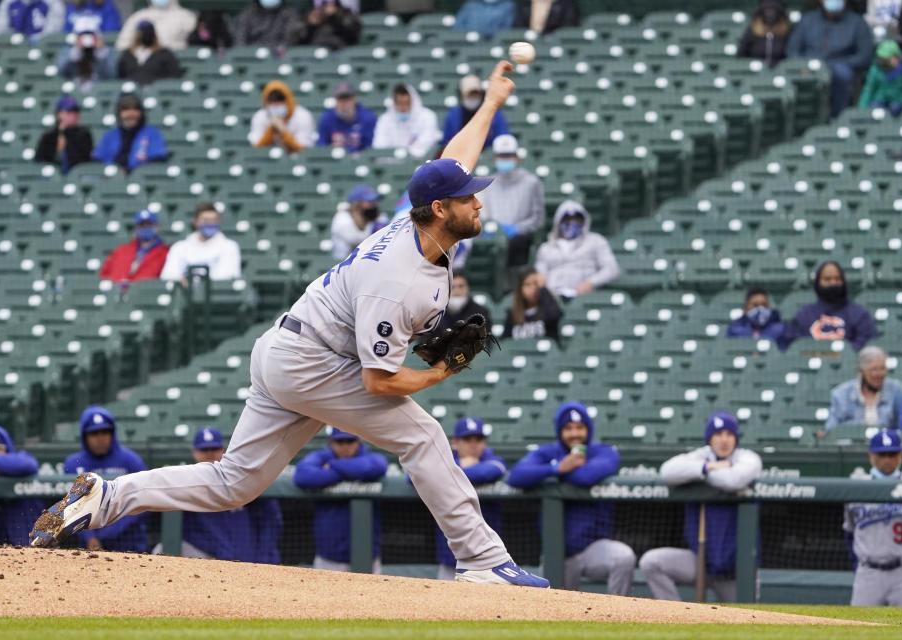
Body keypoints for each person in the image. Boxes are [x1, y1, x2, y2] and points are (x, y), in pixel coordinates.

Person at [30, 60, 551, 588]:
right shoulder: (397, 281)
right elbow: (379, 382)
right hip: (312, 361)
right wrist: (439, 374)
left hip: (291, 351)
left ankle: (110, 497)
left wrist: (489, 103)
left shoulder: (415, 218)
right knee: (423, 437)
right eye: (469, 197)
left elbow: (453, 158)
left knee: (233, 483)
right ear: (441, 209)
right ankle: (483, 560)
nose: (479, 201)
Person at [507, 401, 635, 593]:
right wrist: (556, 468)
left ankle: (617, 614)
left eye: (579, 427)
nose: (574, 433)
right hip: (557, 553)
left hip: (593, 548)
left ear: (588, 429)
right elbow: (516, 476)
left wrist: (558, 470)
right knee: (549, 609)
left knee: (623, 557)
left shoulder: (603, 452)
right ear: (560, 431)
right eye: (568, 428)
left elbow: (586, 476)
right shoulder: (548, 453)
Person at [639, 412, 763, 603]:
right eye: (718, 434)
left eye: (729, 434)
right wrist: (706, 468)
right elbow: (667, 471)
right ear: (709, 439)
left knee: (746, 625)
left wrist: (703, 473)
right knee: (652, 562)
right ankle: (678, 619)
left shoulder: (747, 457)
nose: (724, 440)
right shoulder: (701, 456)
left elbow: (734, 480)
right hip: (700, 561)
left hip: (736, 569)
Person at [153, 428, 283, 563]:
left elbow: (270, 521)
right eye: (204, 450)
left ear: (224, 451)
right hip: (207, 559)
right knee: (161, 550)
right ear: (194, 452)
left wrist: (263, 558)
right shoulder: (187, 483)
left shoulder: (243, 479)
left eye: (214, 449)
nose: (209, 454)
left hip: (247, 560)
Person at [844, 429, 902, 607]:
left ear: (901, 455)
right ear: (871, 456)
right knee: (859, 629)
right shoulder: (855, 489)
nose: (887, 459)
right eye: (882, 454)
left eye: (892, 454)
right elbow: (849, 534)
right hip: (868, 571)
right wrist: (859, 566)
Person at [293, 427, 387, 573]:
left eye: (350, 441)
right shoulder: (320, 456)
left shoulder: (370, 457)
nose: (345, 446)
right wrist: (349, 471)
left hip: (367, 555)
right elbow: (302, 475)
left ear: (358, 441)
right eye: (340, 441)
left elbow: (374, 467)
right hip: (328, 557)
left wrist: (333, 466)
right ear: (330, 442)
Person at [63, 406, 148, 552]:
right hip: (89, 546)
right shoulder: (73, 463)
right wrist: (90, 537)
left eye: (105, 432)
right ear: (85, 436)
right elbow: (72, 507)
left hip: (129, 541)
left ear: (112, 433)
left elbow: (145, 500)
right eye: (94, 433)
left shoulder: (131, 460)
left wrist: (106, 532)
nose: (100, 438)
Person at [436, 417, 505, 581]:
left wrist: (454, 471)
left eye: (478, 439)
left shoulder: (492, 459)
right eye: (467, 439)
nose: (473, 444)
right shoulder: (444, 459)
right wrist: (460, 466)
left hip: (487, 555)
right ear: (456, 442)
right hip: (450, 554)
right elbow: (415, 476)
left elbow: (494, 470)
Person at [785, 0, 874, 118]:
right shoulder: (807, 20)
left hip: (839, 67)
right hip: (807, 68)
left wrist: (831, 66)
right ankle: (797, 120)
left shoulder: (857, 23)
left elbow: (864, 56)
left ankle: (839, 118)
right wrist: (801, 65)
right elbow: (792, 50)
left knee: (842, 73)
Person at [779, 261, 878, 351]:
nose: (833, 283)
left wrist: (841, 355)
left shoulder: (859, 314)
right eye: (827, 279)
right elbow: (795, 346)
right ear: (818, 283)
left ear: (843, 282)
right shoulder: (804, 314)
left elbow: (867, 347)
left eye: (837, 279)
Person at [476, 134, 543, 267]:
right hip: (493, 235)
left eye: (509, 155)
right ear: (494, 159)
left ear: (517, 158)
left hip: (520, 237)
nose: (505, 159)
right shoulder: (488, 182)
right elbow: (482, 214)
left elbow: (538, 218)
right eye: (501, 156)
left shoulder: (531, 182)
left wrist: (517, 229)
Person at [534, 200, 621, 299]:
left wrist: (591, 283)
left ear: (584, 221)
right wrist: (545, 288)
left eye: (577, 219)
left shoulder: (596, 241)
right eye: (567, 219)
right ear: (558, 222)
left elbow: (612, 269)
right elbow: (540, 274)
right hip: (553, 297)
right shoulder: (546, 248)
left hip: (585, 297)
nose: (572, 223)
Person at [822, 346, 902, 437]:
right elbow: (831, 429)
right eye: (874, 369)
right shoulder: (841, 394)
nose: (879, 374)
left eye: (882, 369)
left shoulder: (898, 390)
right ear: (861, 371)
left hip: (887, 447)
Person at [160, 202, 241, 283]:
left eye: (214, 220)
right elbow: (168, 276)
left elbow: (227, 277)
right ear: (195, 222)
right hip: (184, 294)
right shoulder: (179, 247)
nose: (210, 223)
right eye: (206, 220)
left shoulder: (229, 246)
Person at [92, 93, 169, 174]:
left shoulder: (153, 133)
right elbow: (98, 160)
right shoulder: (110, 135)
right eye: (125, 110)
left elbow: (157, 159)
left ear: (141, 113)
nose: (131, 114)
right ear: (119, 113)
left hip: (141, 178)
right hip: (110, 179)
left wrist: (130, 171)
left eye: (135, 109)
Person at [440, 75, 511, 151]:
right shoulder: (453, 116)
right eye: (469, 94)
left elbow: (503, 139)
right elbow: (446, 143)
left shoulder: (494, 113)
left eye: (476, 93)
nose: (473, 97)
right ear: (461, 95)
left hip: (490, 158)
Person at [99, 209, 170, 284]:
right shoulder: (121, 251)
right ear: (136, 228)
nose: (145, 228)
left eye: (149, 225)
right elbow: (104, 275)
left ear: (157, 227)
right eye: (142, 225)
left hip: (146, 294)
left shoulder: (165, 253)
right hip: (116, 293)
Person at [373, 83, 441, 159]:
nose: (403, 107)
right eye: (399, 103)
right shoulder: (384, 120)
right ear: (394, 102)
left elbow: (428, 142)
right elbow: (379, 146)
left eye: (407, 103)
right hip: (391, 164)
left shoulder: (428, 116)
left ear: (413, 101)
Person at [248, 80, 316, 152]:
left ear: (288, 100)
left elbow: (303, 151)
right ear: (266, 102)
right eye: (272, 100)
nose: (276, 103)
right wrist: (271, 129)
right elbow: (256, 150)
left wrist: (283, 130)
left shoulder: (302, 116)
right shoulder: (260, 117)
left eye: (280, 99)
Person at [34, 95, 93, 175]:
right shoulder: (49, 136)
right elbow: (40, 161)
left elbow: (84, 160)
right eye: (69, 112)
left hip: (78, 176)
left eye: (76, 112)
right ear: (58, 114)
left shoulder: (84, 134)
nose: (73, 115)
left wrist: (66, 141)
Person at [857, 39, 902, 116]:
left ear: (895, 57)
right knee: (875, 109)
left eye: (886, 58)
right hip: (880, 99)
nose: (882, 60)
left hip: (899, 100)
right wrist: (861, 109)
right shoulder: (875, 69)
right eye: (881, 58)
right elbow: (869, 89)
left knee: (895, 108)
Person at [503, 268, 562, 342]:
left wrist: (543, 288)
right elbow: (504, 343)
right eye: (528, 284)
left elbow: (555, 315)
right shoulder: (512, 315)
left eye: (536, 284)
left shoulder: (548, 310)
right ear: (520, 289)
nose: (533, 288)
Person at [117, 20, 183, 86]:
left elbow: (174, 76)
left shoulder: (165, 54)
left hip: (158, 92)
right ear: (137, 34)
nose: (146, 34)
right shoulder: (127, 54)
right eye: (143, 31)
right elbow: (120, 77)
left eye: (149, 31)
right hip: (132, 92)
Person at [316, 81, 377, 153]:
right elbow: (321, 146)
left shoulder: (368, 118)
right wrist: (331, 149)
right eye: (340, 99)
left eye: (347, 98)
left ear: (355, 99)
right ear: (336, 100)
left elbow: (370, 147)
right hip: (335, 160)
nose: (344, 103)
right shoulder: (327, 118)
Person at [330, 184, 387, 259]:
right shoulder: (342, 217)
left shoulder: (377, 215)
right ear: (357, 204)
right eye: (369, 201)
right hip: (342, 264)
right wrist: (374, 229)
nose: (374, 204)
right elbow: (355, 240)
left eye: (375, 200)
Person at [115, 0, 196, 52]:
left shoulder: (186, 17)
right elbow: (122, 45)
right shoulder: (138, 17)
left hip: (173, 64)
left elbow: (195, 46)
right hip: (144, 65)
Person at [430, 271, 491, 338]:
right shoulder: (433, 314)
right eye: (452, 287)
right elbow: (425, 343)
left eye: (461, 286)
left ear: (468, 288)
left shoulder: (481, 313)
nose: (457, 291)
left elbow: (486, 342)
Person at [56, 24, 117, 89]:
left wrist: (101, 52)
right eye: (83, 36)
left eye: (91, 36)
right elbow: (61, 72)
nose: (87, 39)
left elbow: (111, 74)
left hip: (99, 88)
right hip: (75, 88)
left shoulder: (106, 51)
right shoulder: (68, 50)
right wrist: (76, 51)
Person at [737, 0, 793, 68]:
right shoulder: (753, 29)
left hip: (781, 69)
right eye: (767, 11)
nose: (770, 14)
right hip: (756, 68)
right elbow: (742, 53)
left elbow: (793, 52)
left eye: (773, 11)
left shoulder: (787, 30)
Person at [233, 0, 302, 49]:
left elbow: (290, 38)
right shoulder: (248, 13)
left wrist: (279, 49)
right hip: (252, 56)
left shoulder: (289, 13)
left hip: (279, 56)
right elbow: (240, 39)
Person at [296, 0, 360, 50]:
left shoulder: (345, 13)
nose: (325, 5)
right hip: (314, 54)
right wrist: (309, 24)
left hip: (339, 53)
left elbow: (353, 31)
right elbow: (295, 39)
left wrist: (336, 15)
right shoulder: (309, 14)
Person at [0, 0, 64, 38]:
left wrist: (31, 41)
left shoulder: (53, 2)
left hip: (40, 50)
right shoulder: (9, 2)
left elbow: (52, 33)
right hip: (11, 48)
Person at [513, 0, 578, 35]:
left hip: (553, 45)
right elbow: (517, 29)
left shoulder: (566, 5)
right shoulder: (525, 5)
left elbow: (567, 29)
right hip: (527, 45)